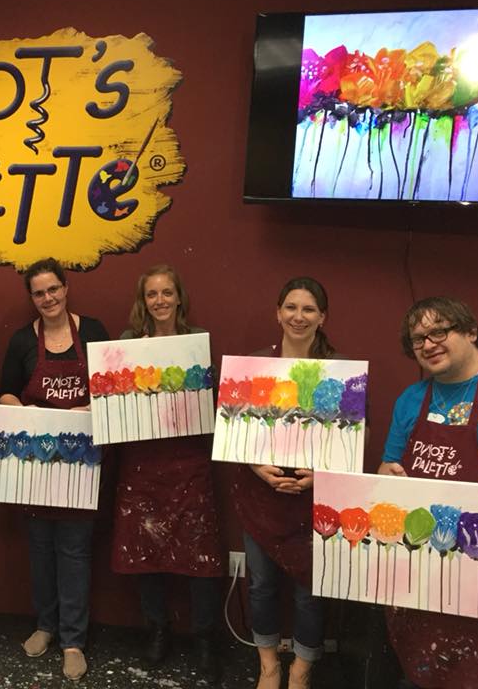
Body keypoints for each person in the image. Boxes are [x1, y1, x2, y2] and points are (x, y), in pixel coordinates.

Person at [378, 297, 478, 689]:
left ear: (471, 332)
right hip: (425, 572)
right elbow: (387, 469)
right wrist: (386, 477)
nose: (428, 344)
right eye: (418, 339)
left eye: (439, 332)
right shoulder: (410, 400)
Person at [109, 265, 225, 679]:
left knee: (201, 553)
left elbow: (211, 399)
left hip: (188, 460)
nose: (159, 301)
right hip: (141, 462)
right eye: (152, 294)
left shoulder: (197, 341)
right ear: (143, 301)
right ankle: (157, 629)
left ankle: (205, 636)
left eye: (166, 293)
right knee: (145, 550)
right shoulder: (127, 343)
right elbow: (113, 402)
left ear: (179, 298)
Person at [0, 258, 110, 682]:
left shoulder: (94, 331)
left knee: (75, 550)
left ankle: (73, 640)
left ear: (66, 288)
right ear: (32, 298)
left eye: (53, 289)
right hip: (37, 459)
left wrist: (88, 408)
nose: (47, 298)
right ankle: (45, 625)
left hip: (81, 460)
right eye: (38, 293)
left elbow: (111, 389)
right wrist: (24, 412)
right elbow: (4, 392)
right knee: (40, 547)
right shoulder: (22, 341)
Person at [229, 277, 334, 689]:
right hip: (261, 495)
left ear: (322, 317)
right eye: (291, 307)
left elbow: (353, 437)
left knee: (310, 590)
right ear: (278, 312)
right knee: (261, 585)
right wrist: (258, 467)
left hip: (315, 499)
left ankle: (301, 669)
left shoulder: (340, 371)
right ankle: (269, 664)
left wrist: (319, 475)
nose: (298, 316)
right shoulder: (254, 366)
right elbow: (235, 431)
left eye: (309, 309)